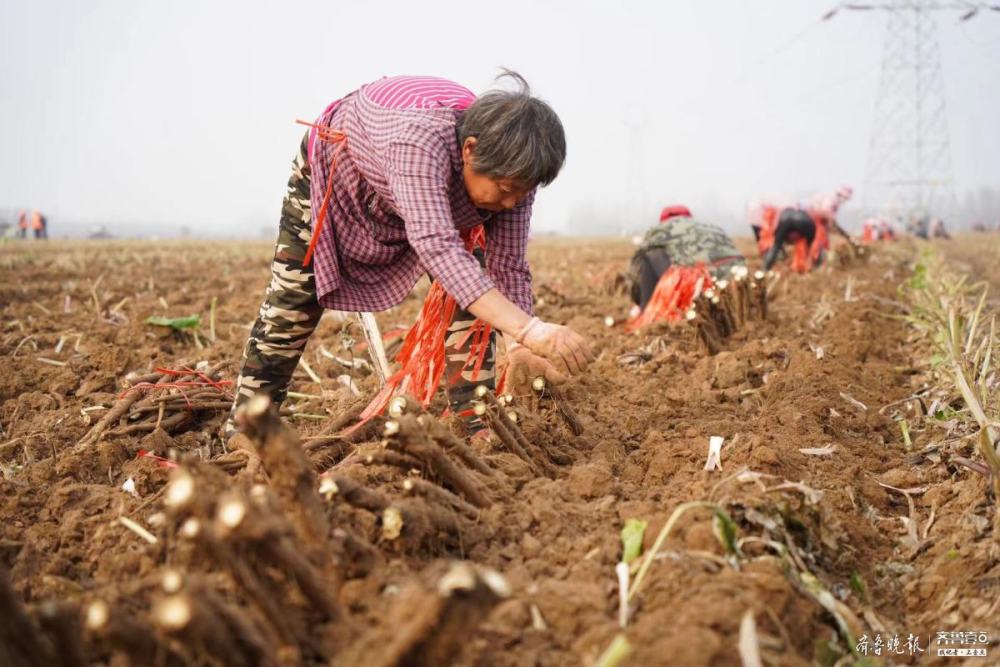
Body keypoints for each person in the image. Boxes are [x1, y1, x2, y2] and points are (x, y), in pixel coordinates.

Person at [224, 73, 593, 440]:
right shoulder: (417, 144)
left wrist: (519, 344)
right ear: (469, 150)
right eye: (507, 190)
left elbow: (508, 266)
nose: (511, 203)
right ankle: (246, 431)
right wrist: (530, 329)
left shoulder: (514, 170)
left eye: (522, 193)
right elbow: (437, 247)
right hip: (337, 178)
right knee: (292, 304)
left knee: (474, 297)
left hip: (420, 194)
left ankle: (477, 428)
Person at [625, 205, 746, 311]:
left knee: (649, 256)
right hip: (737, 282)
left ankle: (647, 313)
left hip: (696, 285)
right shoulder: (711, 227)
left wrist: (639, 300)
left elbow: (635, 272)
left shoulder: (659, 231)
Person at [759, 186, 854, 272]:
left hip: (786, 216)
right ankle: (809, 268)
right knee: (811, 246)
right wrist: (832, 225)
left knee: (776, 246)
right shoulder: (831, 201)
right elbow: (826, 215)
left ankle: (765, 269)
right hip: (804, 219)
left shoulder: (820, 198)